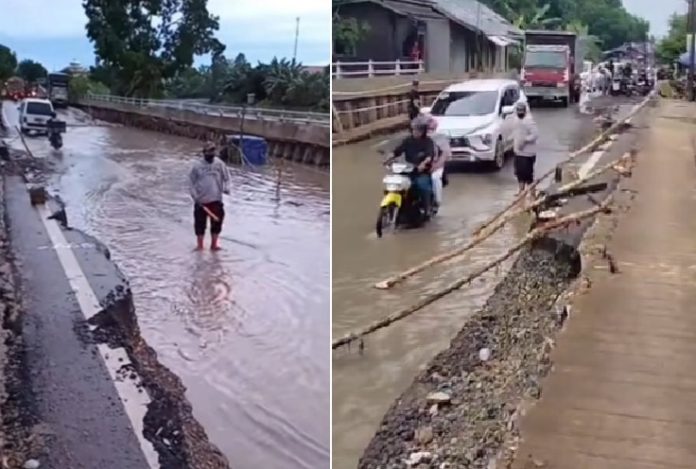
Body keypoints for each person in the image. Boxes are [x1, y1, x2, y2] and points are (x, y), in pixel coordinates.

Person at [390, 115, 435, 214]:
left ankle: (427, 209)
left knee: (423, 186)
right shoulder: (407, 140)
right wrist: (389, 157)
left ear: (423, 131)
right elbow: (397, 151)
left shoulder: (428, 142)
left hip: (421, 172)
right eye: (414, 129)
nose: (416, 132)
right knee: (395, 184)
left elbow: (429, 156)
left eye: (418, 130)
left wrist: (423, 164)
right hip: (408, 171)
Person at [189, 142, 230, 251]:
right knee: (199, 225)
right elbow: (191, 183)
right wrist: (195, 197)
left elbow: (227, 178)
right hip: (201, 201)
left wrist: (227, 188)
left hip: (216, 199)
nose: (211, 153)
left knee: (217, 223)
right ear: (204, 153)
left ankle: (214, 245)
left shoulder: (220, 164)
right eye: (209, 151)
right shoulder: (197, 166)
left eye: (213, 150)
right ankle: (200, 246)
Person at [511, 101, 539, 196]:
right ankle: (521, 191)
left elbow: (535, 135)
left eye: (521, 111)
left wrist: (525, 140)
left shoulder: (529, 121)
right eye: (518, 110)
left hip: (528, 153)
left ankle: (532, 193)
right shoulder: (516, 120)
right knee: (519, 173)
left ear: (525, 111)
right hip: (518, 152)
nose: (520, 112)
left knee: (528, 174)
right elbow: (515, 133)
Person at [426, 116, 449, 210]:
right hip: (418, 166)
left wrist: (435, 166)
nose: (429, 131)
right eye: (427, 129)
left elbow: (446, 154)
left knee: (434, 178)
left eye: (431, 129)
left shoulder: (439, 138)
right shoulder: (416, 138)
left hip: (436, 166)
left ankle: (436, 201)